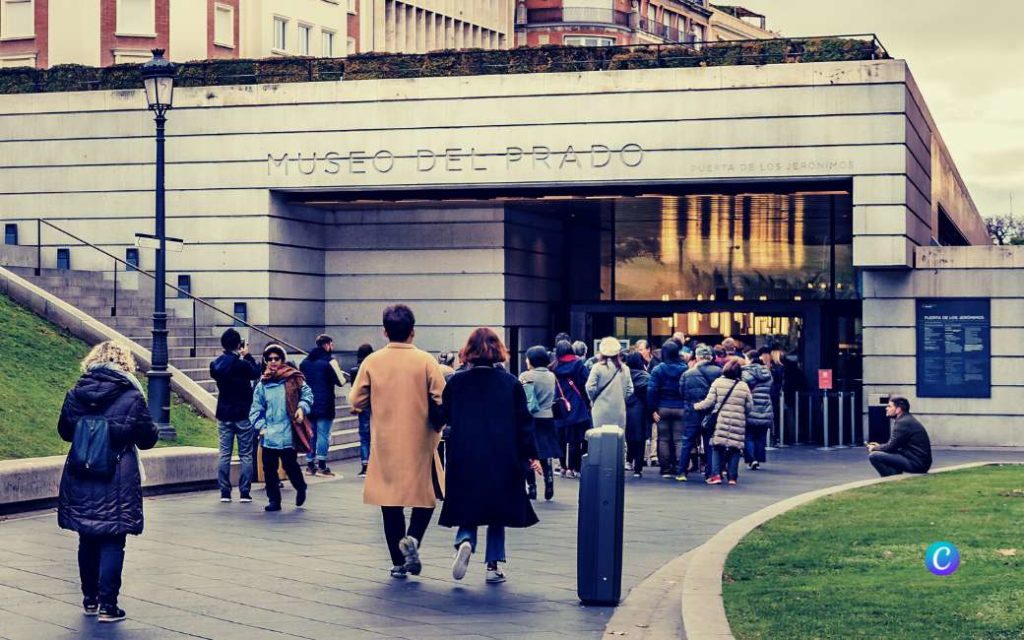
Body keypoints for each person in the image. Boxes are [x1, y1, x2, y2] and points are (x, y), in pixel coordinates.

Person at [57, 341, 160, 623]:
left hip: (81, 471)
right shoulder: (131, 396)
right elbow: (148, 438)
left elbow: (65, 431)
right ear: (125, 363)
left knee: (86, 536)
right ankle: (108, 606)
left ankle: (90, 599)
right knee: (113, 538)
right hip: (117, 474)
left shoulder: (76, 393)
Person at [348, 304, 447, 580]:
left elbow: (355, 399)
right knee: (426, 498)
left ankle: (398, 562)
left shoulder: (372, 361)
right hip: (422, 441)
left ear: (384, 332)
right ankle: (413, 538)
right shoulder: (426, 361)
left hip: (386, 442)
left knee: (390, 503)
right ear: (413, 332)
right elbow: (442, 399)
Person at [442, 328, 541, 583]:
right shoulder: (510, 383)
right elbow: (524, 422)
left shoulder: (456, 382)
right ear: (498, 350)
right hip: (502, 454)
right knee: (497, 510)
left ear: (468, 351)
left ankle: (465, 539)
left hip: (464, 454)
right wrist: (532, 455)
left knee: (468, 503)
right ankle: (493, 566)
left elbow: (442, 415)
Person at [249, 344, 313, 512]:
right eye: (269, 359)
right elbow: (255, 409)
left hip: (288, 431)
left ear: (282, 360)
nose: (273, 362)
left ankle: (300, 487)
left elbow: (308, 394)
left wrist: (301, 407)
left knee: (289, 465)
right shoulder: (262, 384)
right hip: (269, 433)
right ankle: (274, 501)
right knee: (269, 469)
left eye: (276, 358)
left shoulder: (294, 378)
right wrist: (261, 427)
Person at [209, 328, 261, 503]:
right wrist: (247, 355)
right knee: (246, 453)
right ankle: (245, 492)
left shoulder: (215, 365)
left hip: (224, 413)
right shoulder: (243, 364)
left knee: (224, 453)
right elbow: (256, 373)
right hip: (243, 413)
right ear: (239, 345)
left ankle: (225, 491)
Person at [695, 358, 753, 486]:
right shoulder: (743, 386)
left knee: (717, 447)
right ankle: (732, 477)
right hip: (738, 422)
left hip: (721, 420)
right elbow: (749, 406)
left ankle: (716, 475)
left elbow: (709, 402)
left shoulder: (718, 382)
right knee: (735, 448)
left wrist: (696, 406)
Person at [519, 345, 560, 501]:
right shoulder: (551, 376)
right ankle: (549, 481)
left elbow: (521, 398)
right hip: (548, 418)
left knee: (529, 453)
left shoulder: (526, 376)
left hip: (531, 418)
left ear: (532, 360)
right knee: (545, 452)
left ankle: (532, 487)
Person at [300, 334, 344, 477]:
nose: (333, 347)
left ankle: (310, 465)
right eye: (332, 344)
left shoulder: (305, 362)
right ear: (327, 345)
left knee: (311, 435)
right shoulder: (330, 361)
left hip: (309, 403)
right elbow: (341, 381)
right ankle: (322, 466)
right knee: (323, 435)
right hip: (325, 404)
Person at [679, 345, 723, 480]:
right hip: (711, 413)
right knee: (710, 442)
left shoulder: (688, 373)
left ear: (697, 357)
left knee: (688, 441)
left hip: (692, 411)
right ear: (710, 357)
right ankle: (710, 473)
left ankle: (682, 472)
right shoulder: (719, 372)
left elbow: (682, 392)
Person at [552, 339, 592, 478]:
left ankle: (562, 467)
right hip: (576, 405)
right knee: (575, 439)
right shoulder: (578, 364)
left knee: (561, 438)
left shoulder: (554, 366)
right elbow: (586, 383)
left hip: (560, 405)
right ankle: (573, 468)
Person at [648, 341, 688, 479]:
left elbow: (651, 390)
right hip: (680, 407)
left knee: (663, 439)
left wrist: (653, 409)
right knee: (679, 440)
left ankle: (665, 469)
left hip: (662, 407)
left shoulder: (658, 369)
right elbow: (687, 389)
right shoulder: (684, 369)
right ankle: (679, 466)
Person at [867, 397, 932, 477]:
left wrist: (874, 448)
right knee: (887, 453)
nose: (886, 408)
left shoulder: (903, 422)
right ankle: (894, 477)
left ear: (898, 409)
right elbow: (893, 445)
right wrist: (879, 446)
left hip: (916, 463)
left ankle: (891, 479)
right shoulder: (906, 419)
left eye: (889, 406)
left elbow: (890, 447)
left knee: (874, 456)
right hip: (918, 461)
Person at [586, 337, 634, 433]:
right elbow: (630, 390)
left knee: (600, 440)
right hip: (619, 410)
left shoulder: (597, 368)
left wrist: (594, 399)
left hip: (600, 410)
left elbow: (590, 387)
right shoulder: (625, 369)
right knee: (617, 440)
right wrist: (621, 398)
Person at [741, 350, 774, 471]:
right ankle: (758, 459)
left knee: (748, 435)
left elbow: (743, 387)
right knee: (760, 435)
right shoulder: (767, 372)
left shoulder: (746, 372)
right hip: (765, 406)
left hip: (751, 406)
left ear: (749, 359)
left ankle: (751, 459)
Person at [348, 343, 374, 478]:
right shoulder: (374, 368)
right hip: (375, 405)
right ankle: (375, 464)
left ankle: (365, 465)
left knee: (364, 436)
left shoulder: (354, 370)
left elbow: (355, 390)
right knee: (374, 435)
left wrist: (355, 405)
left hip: (362, 406)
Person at [624, 352, 652, 478]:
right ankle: (638, 468)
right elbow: (648, 396)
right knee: (640, 439)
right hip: (640, 410)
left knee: (628, 437)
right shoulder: (645, 377)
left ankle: (628, 460)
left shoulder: (623, 375)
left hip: (624, 408)